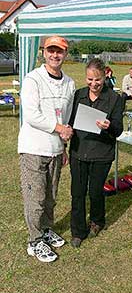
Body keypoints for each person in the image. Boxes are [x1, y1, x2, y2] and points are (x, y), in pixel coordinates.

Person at [18, 36, 75, 263]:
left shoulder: (69, 83)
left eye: (59, 51)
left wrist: (63, 147)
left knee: (50, 196)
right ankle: (34, 241)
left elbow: (67, 115)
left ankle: (46, 229)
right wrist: (60, 128)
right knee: (36, 197)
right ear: (43, 52)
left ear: (65, 54)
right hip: (33, 147)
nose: (55, 55)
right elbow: (32, 115)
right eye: (51, 50)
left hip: (54, 148)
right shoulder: (33, 79)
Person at [69, 58, 123, 248]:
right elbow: (70, 120)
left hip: (102, 152)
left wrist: (109, 126)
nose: (94, 84)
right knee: (77, 192)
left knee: (94, 191)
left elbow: (119, 129)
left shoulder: (114, 99)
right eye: (90, 79)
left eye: (97, 80)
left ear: (105, 76)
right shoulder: (78, 95)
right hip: (79, 151)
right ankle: (77, 230)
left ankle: (97, 221)